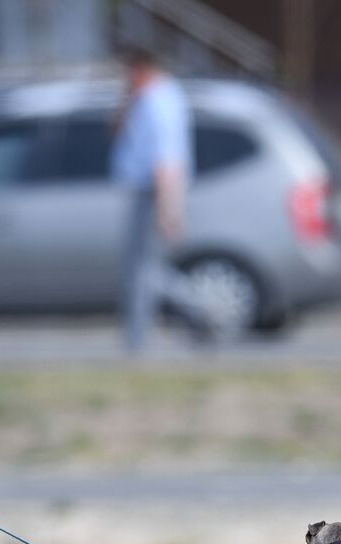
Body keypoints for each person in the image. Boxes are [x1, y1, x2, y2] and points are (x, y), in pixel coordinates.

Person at [109, 44, 200, 352]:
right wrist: (126, 99)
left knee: (143, 270)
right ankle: (137, 336)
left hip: (154, 192)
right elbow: (116, 131)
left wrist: (168, 208)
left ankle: (199, 309)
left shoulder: (159, 102)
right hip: (145, 190)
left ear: (140, 68)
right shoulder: (146, 99)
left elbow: (167, 159)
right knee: (142, 268)